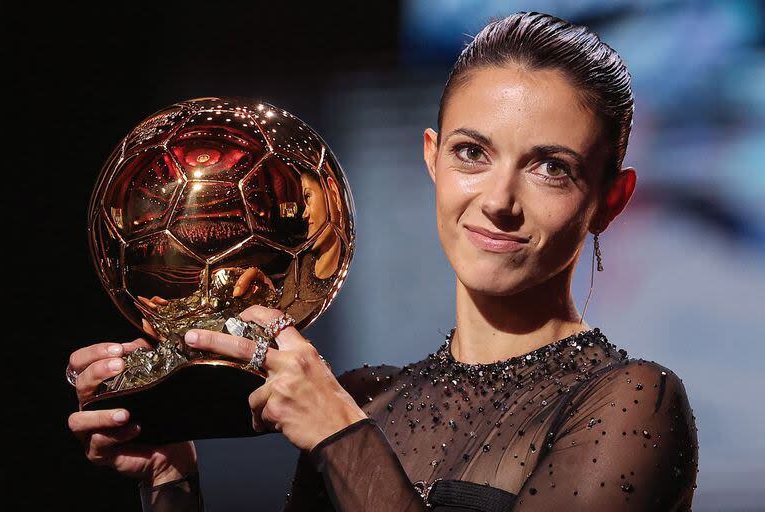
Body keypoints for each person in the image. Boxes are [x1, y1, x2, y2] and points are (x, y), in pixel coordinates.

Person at [66, 12, 699, 511]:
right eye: (472, 153)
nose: (499, 202)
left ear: (610, 200)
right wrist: (171, 481)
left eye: (549, 168)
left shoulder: (632, 402)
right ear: (432, 157)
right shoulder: (369, 397)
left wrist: (340, 435)